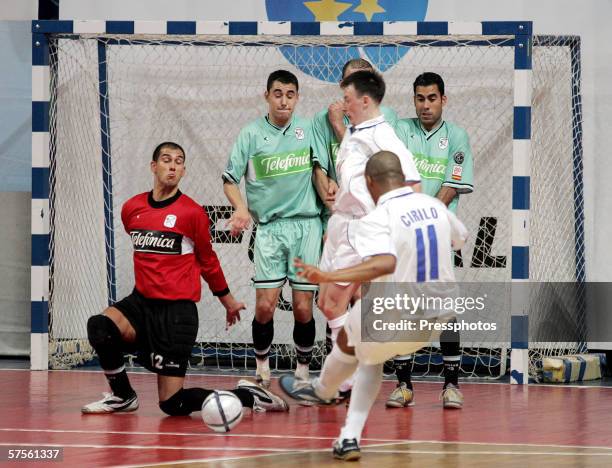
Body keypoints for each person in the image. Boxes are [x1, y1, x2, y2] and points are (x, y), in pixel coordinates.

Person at [279, 151, 468, 460]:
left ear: (369, 182)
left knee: (352, 337)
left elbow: (382, 263)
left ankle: (324, 390)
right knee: (366, 348)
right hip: (441, 315)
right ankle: (348, 438)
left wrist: (329, 274)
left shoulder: (377, 218)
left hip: (400, 314)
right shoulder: (434, 205)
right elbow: (460, 239)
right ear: (404, 177)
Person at [82, 142, 288, 415]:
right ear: (154, 167)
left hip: (176, 314)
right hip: (141, 304)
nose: (173, 166)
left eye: (179, 162)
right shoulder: (132, 208)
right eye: (166, 160)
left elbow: (207, 261)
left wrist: (228, 301)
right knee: (100, 326)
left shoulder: (192, 213)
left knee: (172, 404)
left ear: (183, 171)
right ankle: (122, 396)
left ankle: (249, 396)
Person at [315, 70, 421, 376]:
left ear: (363, 100)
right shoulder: (353, 131)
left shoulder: (382, 135)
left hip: (362, 228)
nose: (342, 104)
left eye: (347, 98)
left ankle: (348, 375)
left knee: (338, 302)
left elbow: (412, 183)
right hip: (342, 224)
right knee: (326, 302)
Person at [223, 70, 322, 388]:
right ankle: (262, 369)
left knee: (303, 307)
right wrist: (240, 207)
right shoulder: (251, 134)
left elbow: (322, 171)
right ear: (266, 96)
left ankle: (303, 372)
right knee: (265, 306)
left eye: (290, 94)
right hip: (269, 229)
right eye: (277, 93)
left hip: (306, 227)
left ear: (297, 98)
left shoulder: (309, 130)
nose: (283, 100)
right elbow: (229, 179)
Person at [389, 72, 474, 409]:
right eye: (420, 99)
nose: (426, 105)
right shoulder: (400, 130)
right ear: (413, 100)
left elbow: (451, 186)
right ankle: (403, 385)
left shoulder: (456, 136)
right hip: (402, 241)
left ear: (443, 99)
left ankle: (451, 386)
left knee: (445, 313)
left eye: (432, 98)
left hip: (435, 238)